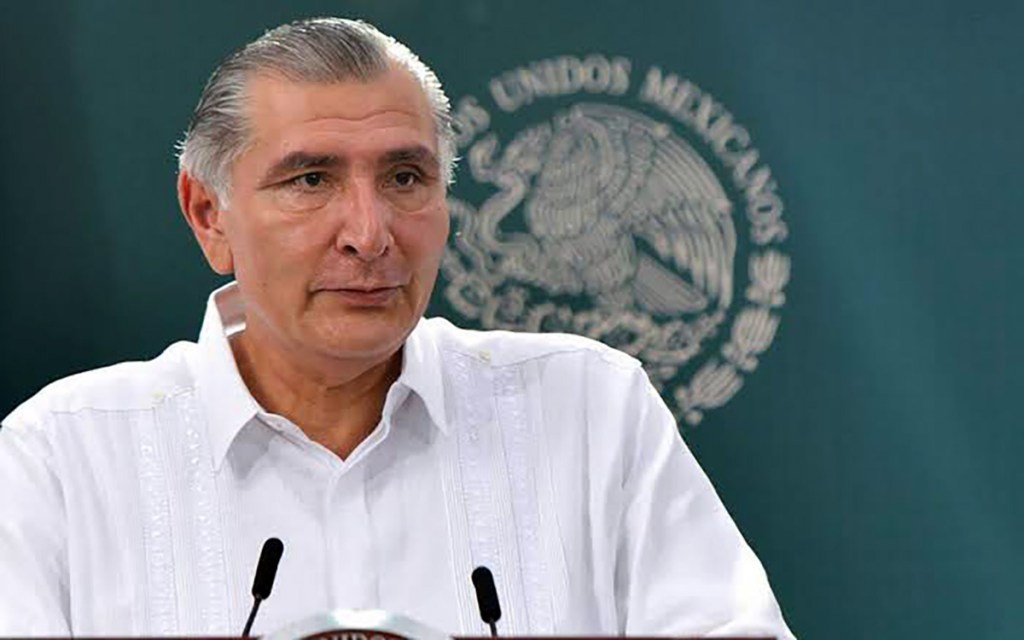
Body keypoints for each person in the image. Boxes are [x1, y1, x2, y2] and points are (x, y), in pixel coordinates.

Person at [0, 17, 796, 638]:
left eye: (405, 177)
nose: (369, 232)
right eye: (311, 179)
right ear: (209, 216)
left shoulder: (590, 409)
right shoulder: (61, 460)